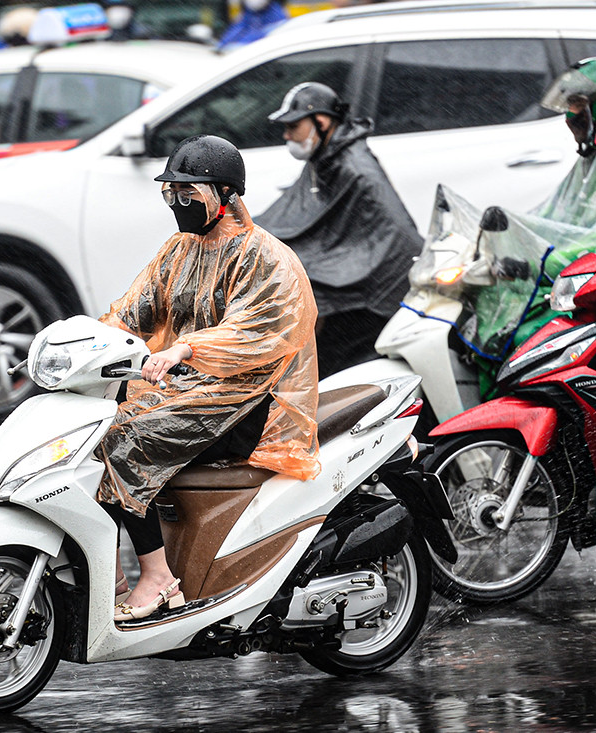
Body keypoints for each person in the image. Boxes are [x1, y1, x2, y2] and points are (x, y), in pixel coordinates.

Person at [97, 134, 320, 621]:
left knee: (123, 441)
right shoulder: (180, 249)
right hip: (187, 389)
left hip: (246, 401)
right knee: (88, 432)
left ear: (226, 195)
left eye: (189, 193)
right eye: (171, 193)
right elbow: (133, 311)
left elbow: (255, 334)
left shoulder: (268, 259)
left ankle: (158, 579)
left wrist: (186, 347)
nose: (178, 204)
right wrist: (85, 345)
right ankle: (106, 576)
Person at [473, 57, 596, 396]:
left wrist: (540, 261)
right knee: (490, 311)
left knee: (522, 337)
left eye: (577, 104)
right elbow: (551, 217)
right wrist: (510, 230)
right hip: (569, 287)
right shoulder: (589, 163)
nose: (570, 116)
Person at [257, 82, 423, 376]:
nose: (286, 136)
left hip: (374, 294)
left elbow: (396, 235)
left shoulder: (356, 169)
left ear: (321, 122)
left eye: (293, 126)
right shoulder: (327, 154)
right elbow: (304, 213)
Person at [216, 0, 289, 50]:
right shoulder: (249, 13)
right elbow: (238, 29)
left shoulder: (278, 17)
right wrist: (222, 45)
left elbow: (263, 39)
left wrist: (236, 46)